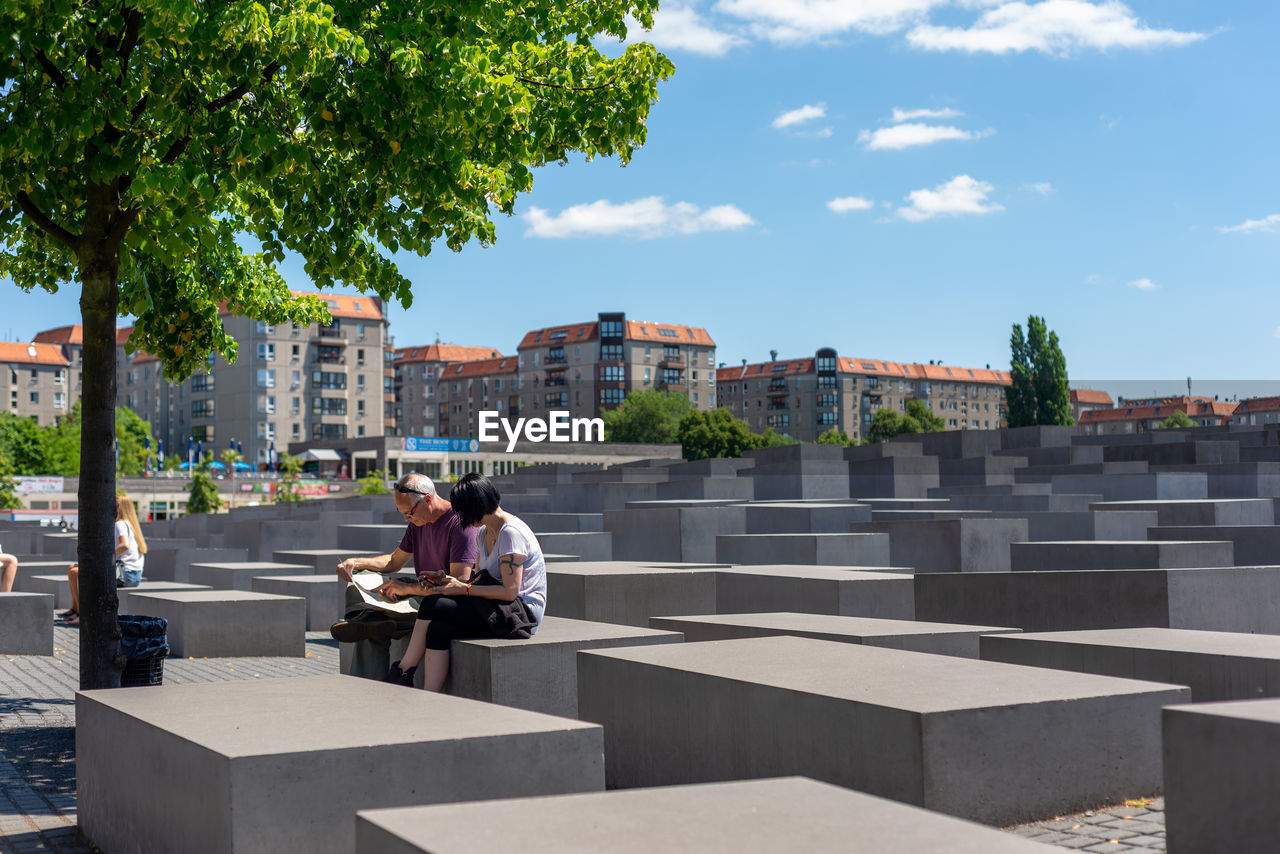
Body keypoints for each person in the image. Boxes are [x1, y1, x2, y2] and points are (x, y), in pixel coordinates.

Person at [386, 472, 546, 692]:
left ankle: (403, 670)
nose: (459, 516)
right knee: (438, 629)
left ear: (474, 506)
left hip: (521, 614)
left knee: (434, 604)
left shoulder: (511, 533)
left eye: (461, 510)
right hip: (497, 606)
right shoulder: (482, 534)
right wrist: (448, 580)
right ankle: (429, 696)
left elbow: (510, 592)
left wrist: (465, 589)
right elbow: (480, 580)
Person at [330, 473, 476, 680]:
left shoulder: (460, 525)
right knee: (365, 581)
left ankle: (373, 619)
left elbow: (459, 583)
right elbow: (394, 561)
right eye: (402, 513)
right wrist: (356, 563)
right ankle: (366, 617)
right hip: (422, 590)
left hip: (445, 602)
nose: (406, 519)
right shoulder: (418, 523)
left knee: (371, 629)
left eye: (409, 513)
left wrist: (408, 589)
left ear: (427, 499)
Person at [64, 494, 148, 626]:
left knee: (75, 572)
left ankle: (83, 614)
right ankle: (76, 609)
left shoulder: (120, 524)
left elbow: (124, 545)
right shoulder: (130, 525)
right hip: (133, 575)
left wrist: (101, 557)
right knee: (72, 568)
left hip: (124, 574)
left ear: (118, 509)